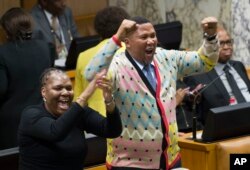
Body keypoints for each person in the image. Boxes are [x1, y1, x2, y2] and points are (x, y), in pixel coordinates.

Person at [84, 16, 219, 169]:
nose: (151, 41)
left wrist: (211, 36)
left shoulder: (165, 57)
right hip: (129, 164)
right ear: (127, 42)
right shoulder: (117, 65)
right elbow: (90, 73)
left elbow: (204, 62)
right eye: (143, 37)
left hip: (170, 160)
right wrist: (116, 38)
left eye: (153, 35)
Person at [18, 68, 122, 170]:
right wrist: (85, 95)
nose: (65, 92)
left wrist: (109, 100)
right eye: (58, 88)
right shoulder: (31, 115)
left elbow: (112, 130)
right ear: (44, 92)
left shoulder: (80, 112)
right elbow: (55, 132)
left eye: (69, 88)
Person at [0, 7, 52, 150]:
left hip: (12, 123)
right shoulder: (45, 47)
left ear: (6, 30)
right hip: (43, 114)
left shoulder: (2, 53)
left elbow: (1, 89)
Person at [184, 27, 250, 126]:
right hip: (228, 125)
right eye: (222, 43)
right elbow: (194, 112)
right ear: (210, 46)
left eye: (229, 42)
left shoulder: (238, 66)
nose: (227, 47)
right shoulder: (197, 75)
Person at [74, 6, 130, 116]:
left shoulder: (83, 56)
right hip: (123, 121)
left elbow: (78, 99)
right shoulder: (129, 50)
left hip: (93, 125)